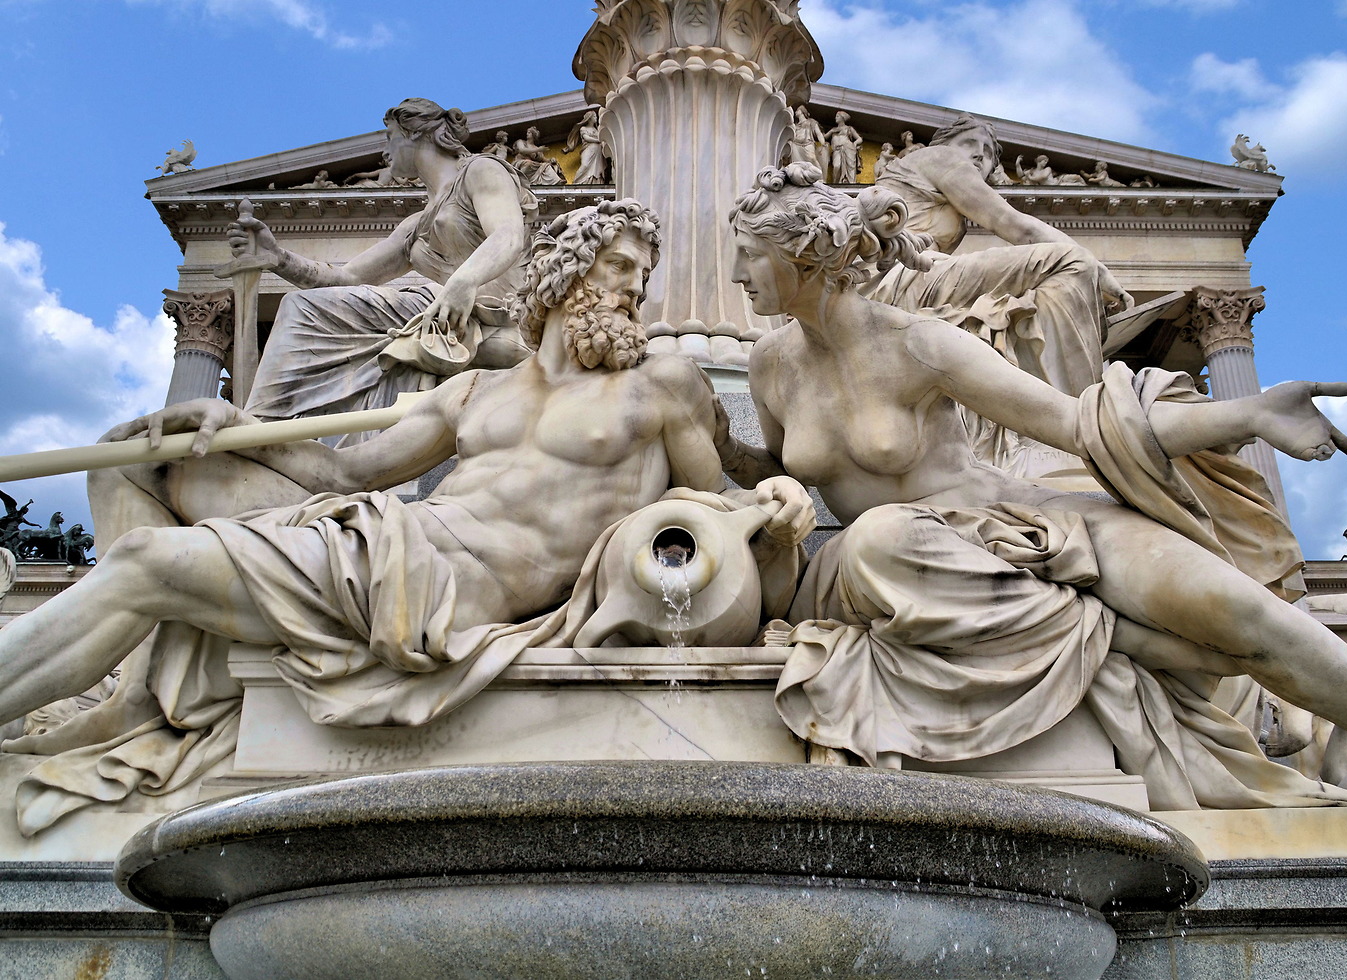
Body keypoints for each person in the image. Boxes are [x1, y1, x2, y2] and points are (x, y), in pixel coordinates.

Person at [0, 199, 813, 832]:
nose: (636, 289)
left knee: (145, 563)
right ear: (567, 271)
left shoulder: (660, 384)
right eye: (621, 266)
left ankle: (121, 696)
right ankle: (133, 702)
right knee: (137, 458)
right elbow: (348, 471)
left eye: (644, 273)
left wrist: (770, 506)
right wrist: (235, 425)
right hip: (382, 537)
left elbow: (708, 503)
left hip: (438, 587)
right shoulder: (475, 391)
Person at [720, 165, 1347, 807]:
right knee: (879, 538)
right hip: (906, 555)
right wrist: (726, 449)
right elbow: (783, 472)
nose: (735, 274)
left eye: (749, 254)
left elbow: (1075, 423)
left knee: (1244, 613)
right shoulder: (771, 364)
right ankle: (1132, 640)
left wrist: (1248, 413)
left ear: (805, 254)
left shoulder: (918, 344)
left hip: (1025, 520)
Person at [232, 99, 537, 445]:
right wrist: (277, 258)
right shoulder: (415, 226)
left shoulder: (482, 170)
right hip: (445, 320)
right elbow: (345, 278)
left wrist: (464, 281)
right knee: (300, 306)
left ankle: (258, 430)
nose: (384, 152)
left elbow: (508, 234)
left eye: (390, 137)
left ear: (416, 133)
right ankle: (265, 428)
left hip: (501, 318)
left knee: (302, 309)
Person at [869, 115, 1131, 476]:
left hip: (917, 277)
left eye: (989, 152)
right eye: (969, 143)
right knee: (1071, 262)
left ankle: (1054, 428)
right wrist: (1099, 272)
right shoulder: (937, 158)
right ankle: (1077, 428)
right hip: (903, 276)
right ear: (943, 144)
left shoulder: (917, 175)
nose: (979, 155)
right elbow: (1017, 227)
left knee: (1022, 303)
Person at [565, 110, 609, 185]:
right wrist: (598, 140)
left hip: (598, 153)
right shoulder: (583, 128)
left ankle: (595, 183)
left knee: (598, 169)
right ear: (589, 118)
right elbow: (586, 138)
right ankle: (576, 183)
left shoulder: (597, 130)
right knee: (585, 165)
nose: (596, 118)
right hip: (588, 149)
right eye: (594, 116)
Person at [824, 111, 862, 183]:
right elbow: (824, 137)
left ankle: (849, 182)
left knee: (850, 167)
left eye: (837, 116)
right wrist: (830, 131)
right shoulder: (833, 129)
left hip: (848, 149)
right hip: (837, 150)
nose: (835, 118)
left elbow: (859, 139)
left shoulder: (849, 128)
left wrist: (855, 143)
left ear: (842, 118)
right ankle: (836, 183)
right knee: (836, 166)